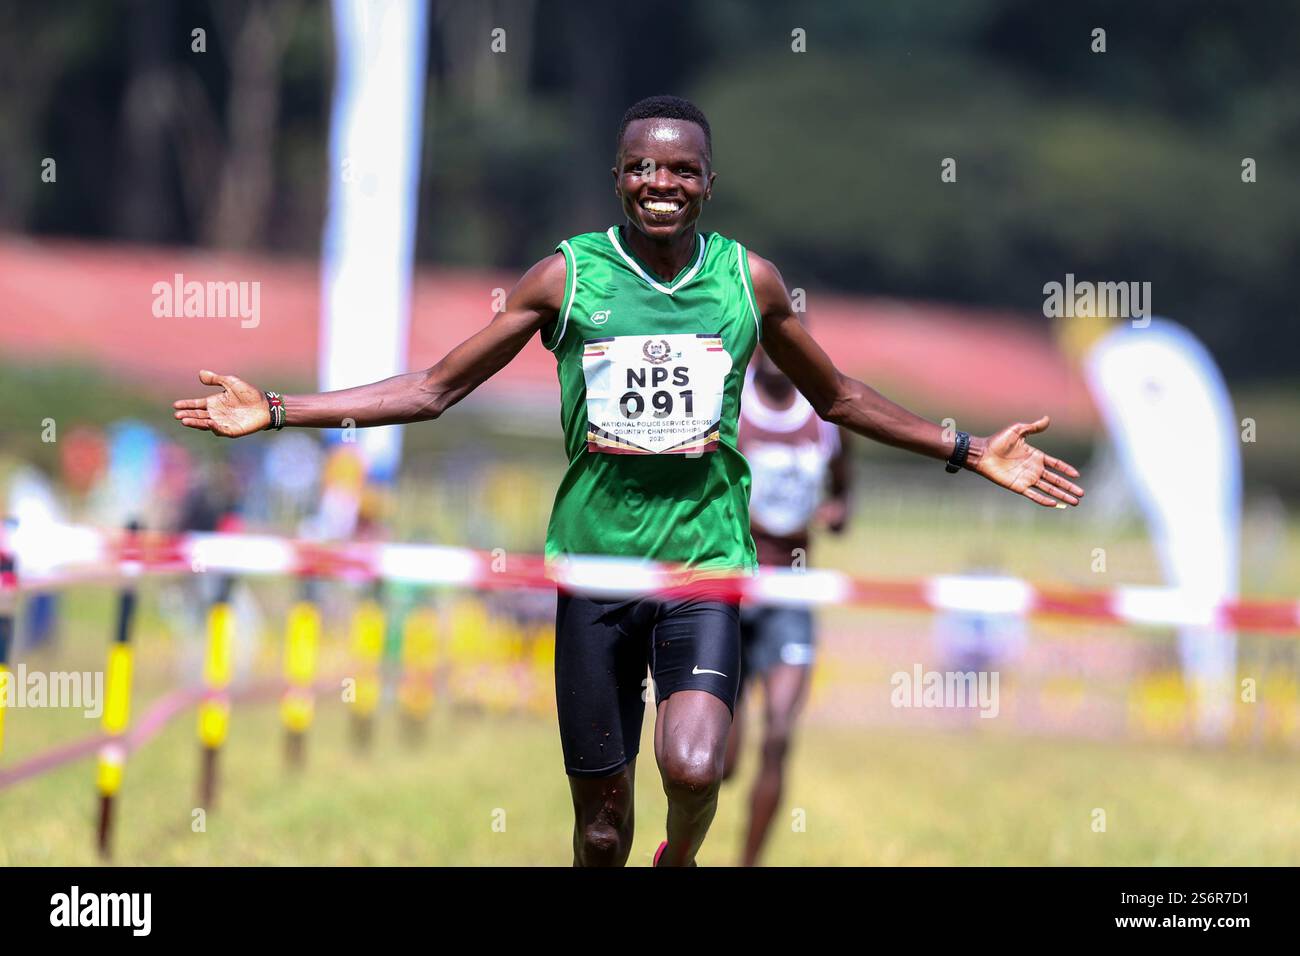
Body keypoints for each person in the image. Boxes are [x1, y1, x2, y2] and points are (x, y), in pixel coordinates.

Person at [173, 95, 1084, 866]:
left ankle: (681, 858)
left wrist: (968, 451)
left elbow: (839, 397)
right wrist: (282, 409)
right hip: (594, 571)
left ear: (708, 184)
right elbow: (432, 389)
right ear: (618, 178)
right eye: (643, 169)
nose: (661, 185)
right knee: (600, 835)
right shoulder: (566, 277)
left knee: (692, 767)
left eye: (682, 171)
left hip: (704, 566)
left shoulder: (749, 282)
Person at [722, 346, 851, 866]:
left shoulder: (825, 417)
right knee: (719, 761)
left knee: (778, 736)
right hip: (732, 586)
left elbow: (846, 493)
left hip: (793, 593)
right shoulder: (733, 404)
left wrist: (837, 510)